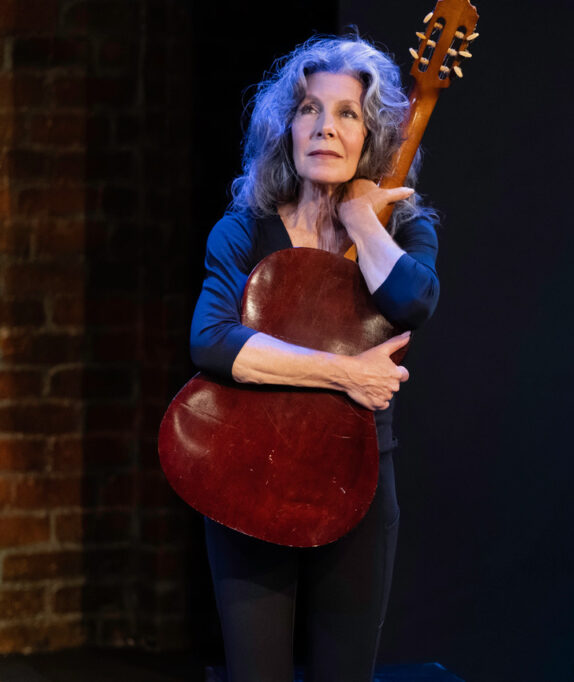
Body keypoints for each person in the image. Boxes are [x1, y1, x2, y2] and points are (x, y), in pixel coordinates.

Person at [189, 35, 440, 682]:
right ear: (285, 127)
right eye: (308, 109)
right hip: (245, 470)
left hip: (355, 482)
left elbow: (413, 301)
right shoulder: (243, 228)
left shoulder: (402, 228)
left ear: (373, 134)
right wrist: (346, 373)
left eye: (347, 113)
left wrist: (360, 219)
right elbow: (212, 341)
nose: (325, 127)